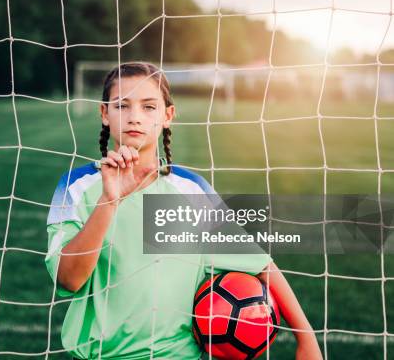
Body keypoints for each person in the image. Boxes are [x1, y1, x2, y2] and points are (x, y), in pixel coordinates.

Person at [44, 62, 322, 359]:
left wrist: (307, 340)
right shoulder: (76, 187)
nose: (135, 117)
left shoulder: (190, 191)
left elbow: (260, 264)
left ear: (168, 116)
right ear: (104, 114)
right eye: (122, 105)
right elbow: (68, 280)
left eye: (149, 107)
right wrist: (109, 201)